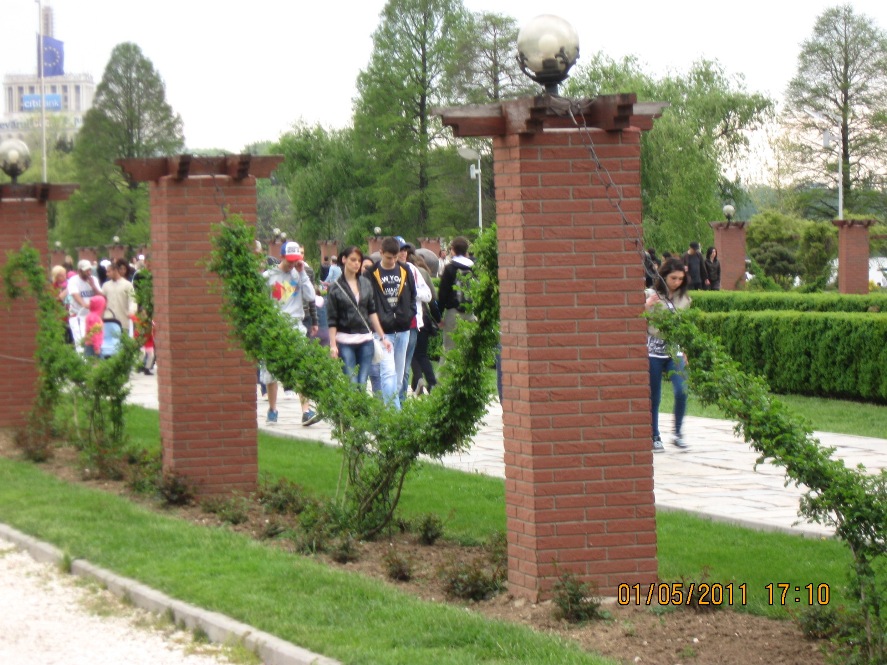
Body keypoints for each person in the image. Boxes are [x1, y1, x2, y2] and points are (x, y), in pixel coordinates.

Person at [261, 241, 321, 426]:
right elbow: (261, 303)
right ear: (282, 257)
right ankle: (272, 409)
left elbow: (311, 297)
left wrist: (302, 273)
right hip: (274, 327)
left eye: (296, 260)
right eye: (289, 260)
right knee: (271, 372)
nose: (292, 264)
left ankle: (306, 411)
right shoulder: (268, 277)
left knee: (301, 367)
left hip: (295, 326)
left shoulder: (299, 274)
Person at [326, 246, 391, 386]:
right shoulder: (335, 287)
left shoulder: (365, 283)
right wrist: (333, 345)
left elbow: (372, 312)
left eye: (359, 261)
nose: (356, 263)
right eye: (353, 260)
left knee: (362, 382)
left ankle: (360, 401)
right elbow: (332, 319)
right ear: (344, 259)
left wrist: (383, 337)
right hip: (345, 340)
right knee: (351, 382)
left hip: (365, 339)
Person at [645, 257, 691, 452]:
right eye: (673, 278)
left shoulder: (685, 299)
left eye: (681, 278)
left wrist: (685, 350)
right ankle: (654, 435)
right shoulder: (650, 294)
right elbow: (635, 318)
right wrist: (647, 305)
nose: (677, 282)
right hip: (653, 351)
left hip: (674, 350)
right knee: (654, 396)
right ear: (664, 276)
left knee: (682, 391)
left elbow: (684, 327)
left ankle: (677, 433)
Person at [366, 236, 417, 409]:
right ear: (381, 253)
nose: (393, 261)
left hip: (403, 329)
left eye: (395, 257)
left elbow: (413, 295)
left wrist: (409, 315)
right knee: (387, 373)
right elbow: (367, 301)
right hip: (382, 331)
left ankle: (389, 411)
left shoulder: (405, 270)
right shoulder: (371, 273)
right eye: (389, 257)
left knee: (399, 377)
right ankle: (394, 414)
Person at [407, 251, 439, 395]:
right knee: (422, 354)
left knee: (412, 353)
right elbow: (433, 297)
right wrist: (438, 318)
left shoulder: (401, 271)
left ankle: (420, 380)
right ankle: (430, 383)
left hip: (410, 318)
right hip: (424, 317)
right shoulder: (423, 272)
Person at [437, 236, 474, 354]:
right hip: (470, 312)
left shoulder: (450, 268)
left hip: (453, 312)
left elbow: (442, 293)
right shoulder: (474, 267)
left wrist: (438, 316)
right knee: (469, 349)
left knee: (449, 349)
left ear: (452, 249)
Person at [65, 260, 103, 350]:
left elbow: (100, 295)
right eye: (86, 271)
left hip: (92, 316)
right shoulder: (73, 280)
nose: (88, 272)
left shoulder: (93, 279)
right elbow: (75, 295)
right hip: (78, 314)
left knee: (93, 340)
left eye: (89, 270)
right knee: (81, 341)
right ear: (79, 271)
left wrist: (93, 286)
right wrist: (84, 304)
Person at [102, 259, 137, 332]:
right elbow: (102, 301)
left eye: (109, 271)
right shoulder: (105, 285)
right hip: (108, 321)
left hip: (123, 322)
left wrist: (132, 311)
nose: (107, 274)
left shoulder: (127, 285)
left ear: (115, 271)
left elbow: (132, 300)